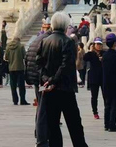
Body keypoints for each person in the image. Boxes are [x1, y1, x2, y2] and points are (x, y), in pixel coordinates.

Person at [35, 12, 89, 147]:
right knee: (74, 123)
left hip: (50, 89)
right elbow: (66, 65)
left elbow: (39, 64)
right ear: (65, 25)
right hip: (65, 88)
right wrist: (54, 80)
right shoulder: (68, 41)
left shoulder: (44, 41)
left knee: (53, 124)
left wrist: (47, 79)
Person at [102, 33, 116, 132]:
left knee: (107, 104)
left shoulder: (105, 55)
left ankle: (106, 124)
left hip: (106, 82)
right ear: (115, 43)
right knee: (115, 105)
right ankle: (112, 124)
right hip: (115, 83)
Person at [5, 35, 30, 105]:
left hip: (11, 68)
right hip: (20, 68)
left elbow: (6, 58)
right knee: (21, 86)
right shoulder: (21, 46)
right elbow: (24, 56)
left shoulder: (8, 47)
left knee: (13, 86)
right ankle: (22, 100)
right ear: (19, 40)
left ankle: (15, 101)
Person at [83, 38, 104, 119]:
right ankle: (95, 112)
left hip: (102, 77)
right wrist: (90, 50)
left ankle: (107, 110)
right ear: (94, 45)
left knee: (105, 95)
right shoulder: (91, 54)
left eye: (100, 44)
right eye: (97, 44)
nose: (99, 46)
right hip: (94, 77)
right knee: (94, 96)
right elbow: (85, 58)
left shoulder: (104, 53)